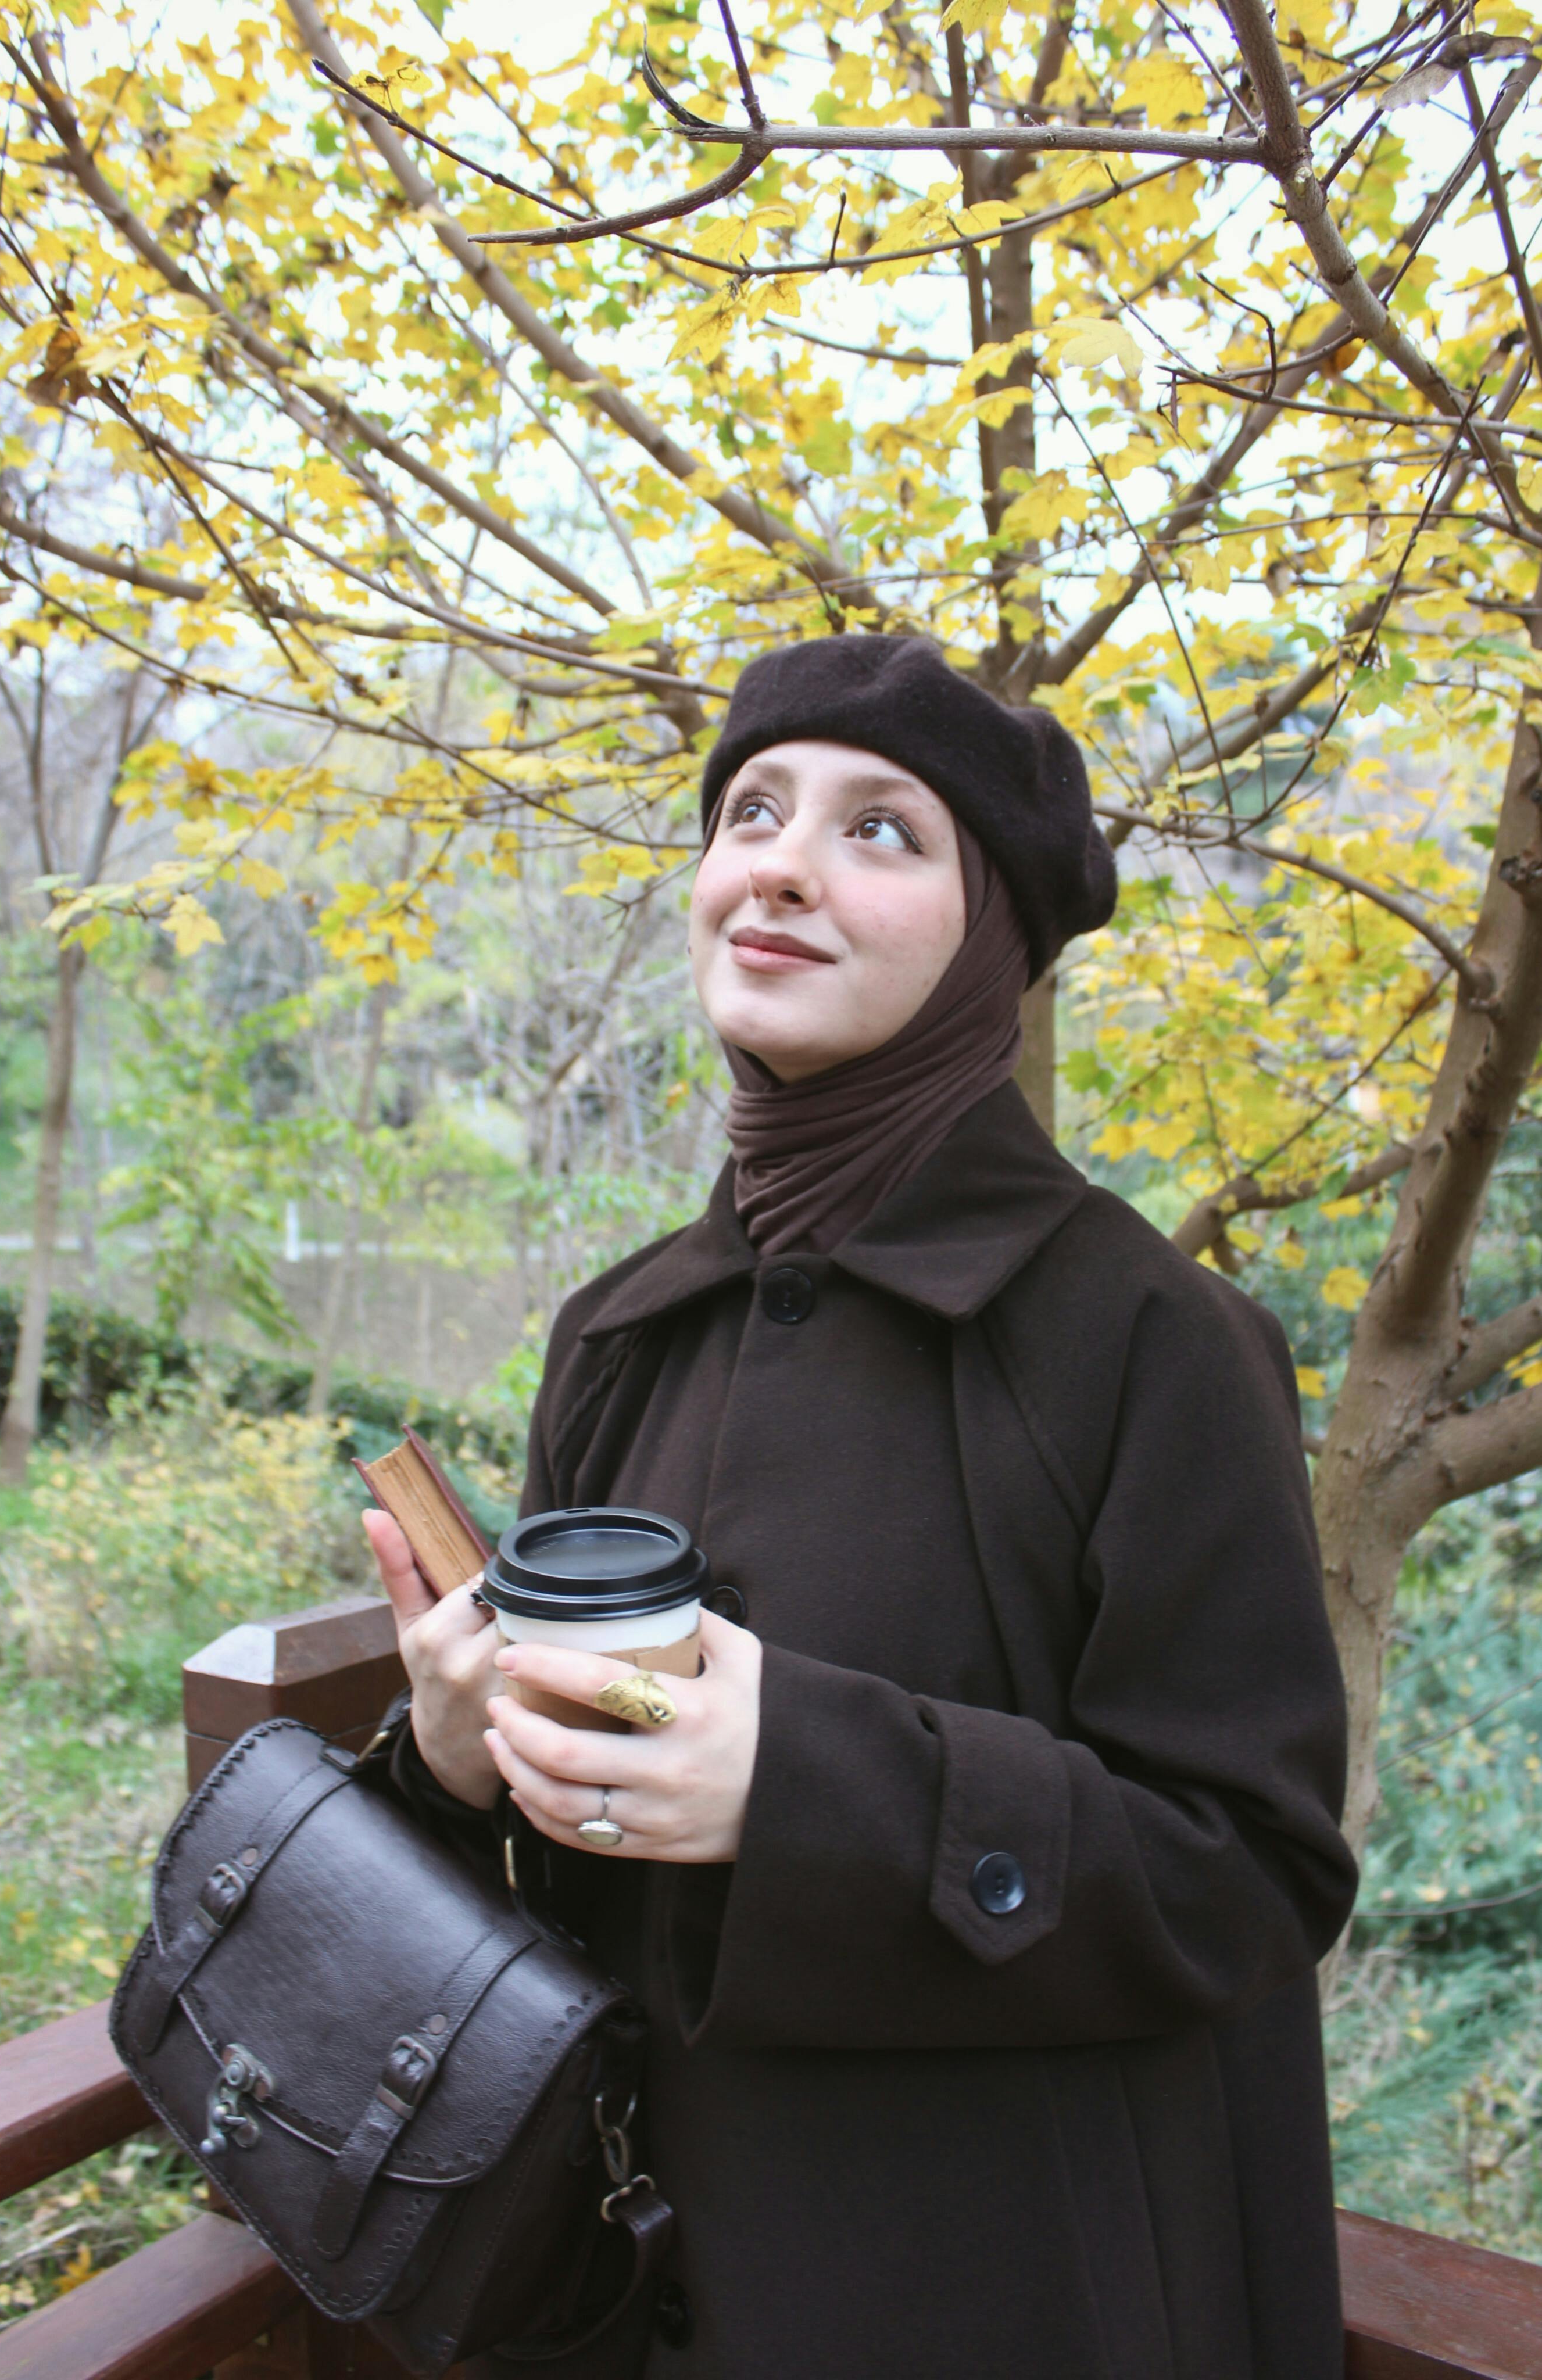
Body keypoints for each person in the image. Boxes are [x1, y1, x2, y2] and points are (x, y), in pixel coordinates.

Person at [364, 635, 1358, 2379]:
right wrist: (456, 1760)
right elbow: (569, 1875)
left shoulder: (1154, 1341)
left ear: (991, 945)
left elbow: (1252, 1874)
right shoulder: (619, 1333)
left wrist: (803, 1779)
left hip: (1016, 2307)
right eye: (751, 811)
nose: (779, 864)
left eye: (880, 831)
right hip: (625, 2296)